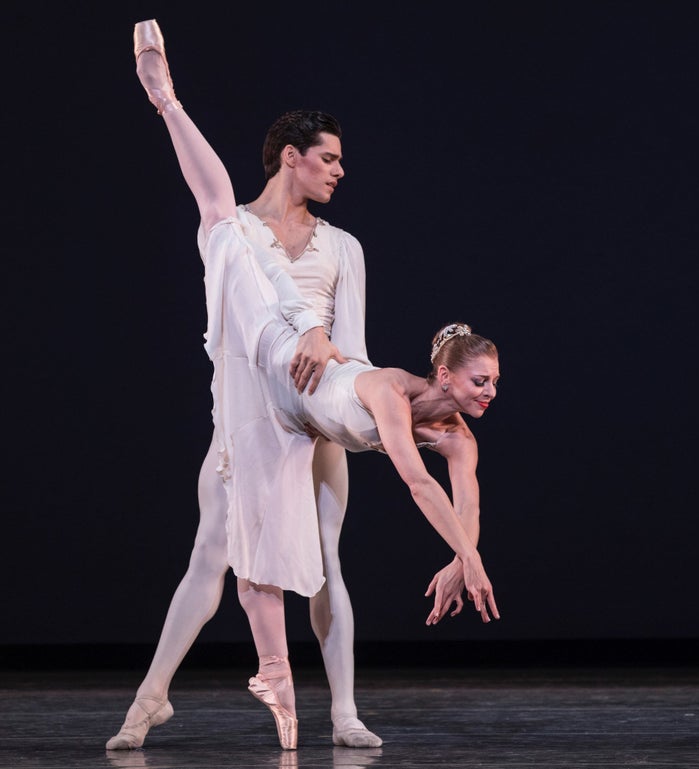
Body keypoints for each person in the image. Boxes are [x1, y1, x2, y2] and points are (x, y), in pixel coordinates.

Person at [110, 19, 500, 752]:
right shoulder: (237, 235)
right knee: (210, 556)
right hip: (253, 401)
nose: (339, 171)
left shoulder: (341, 248)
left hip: (326, 402)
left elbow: (350, 348)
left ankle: (344, 709)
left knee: (324, 561)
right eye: (329, 158)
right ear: (292, 157)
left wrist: (336, 368)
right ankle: (149, 697)